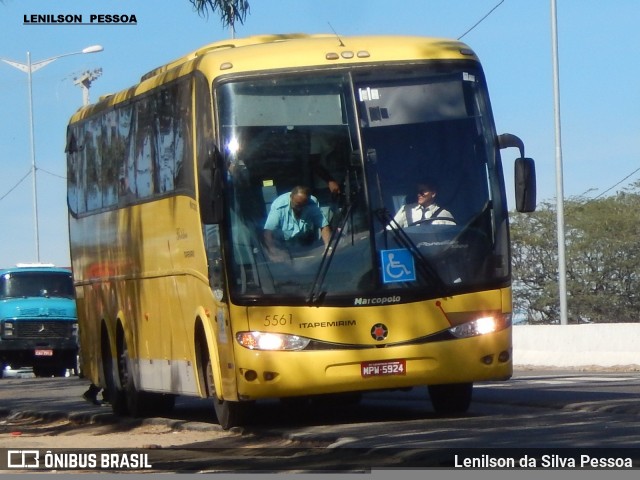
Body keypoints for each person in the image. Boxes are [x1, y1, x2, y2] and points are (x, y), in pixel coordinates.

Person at [263, 186, 331, 259]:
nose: (299, 208)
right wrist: (273, 252)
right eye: (297, 205)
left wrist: (329, 248)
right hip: (284, 246)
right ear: (291, 197)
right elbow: (268, 232)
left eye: (303, 205)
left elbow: (324, 226)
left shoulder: (311, 203)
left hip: (306, 244)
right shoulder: (279, 205)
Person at [388, 181, 455, 228]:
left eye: (422, 192)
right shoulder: (406, 210)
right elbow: (390, 230)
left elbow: (451, 236)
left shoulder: (444, 214)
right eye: (418, 192)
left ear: (433, 194)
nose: (419, 194)